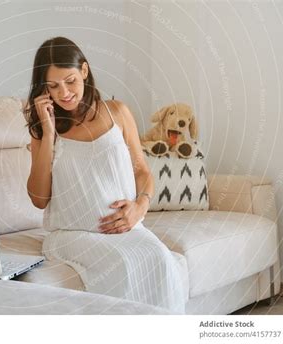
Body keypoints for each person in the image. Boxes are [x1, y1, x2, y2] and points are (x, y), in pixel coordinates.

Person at [24, 36, 185, 314]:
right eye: (53, 86)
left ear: (84, 71)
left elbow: (142, 171)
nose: (63, 93)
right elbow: (39, 199)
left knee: (161, 259)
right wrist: (49, 133)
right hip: (72, 235)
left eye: (70, 81)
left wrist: (139, 207)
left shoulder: (118, 113)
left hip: (126, 228)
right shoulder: (43, 129)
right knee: (121, 265)